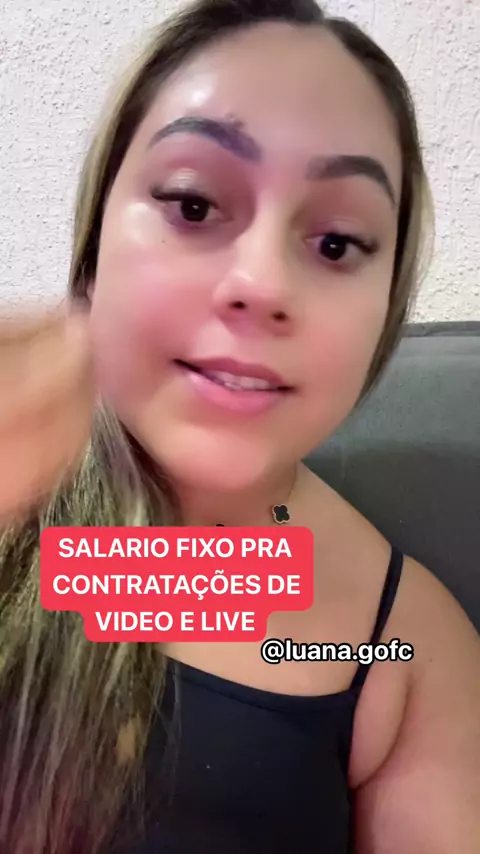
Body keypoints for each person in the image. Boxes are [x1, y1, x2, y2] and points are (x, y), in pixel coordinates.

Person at [0, 0, 478, 852]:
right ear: (96, 237)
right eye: (192, 205)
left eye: (337, 244)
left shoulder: (405, 652)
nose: (262, 283)